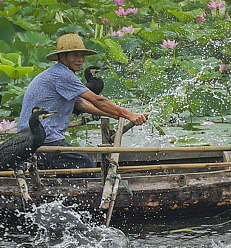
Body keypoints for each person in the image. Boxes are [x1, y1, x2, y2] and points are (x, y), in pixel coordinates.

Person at [17, 34, 147, 169]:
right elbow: (97, 99)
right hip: (42, 140)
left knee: (80, 161)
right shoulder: (62, 75)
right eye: (75, 55)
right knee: (84, 163)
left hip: (30, 139)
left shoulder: (61, 73)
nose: (80, 60)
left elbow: (81, 104)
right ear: (62, 57)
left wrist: (114, 114)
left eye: (82, 56)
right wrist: (129, 115)